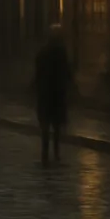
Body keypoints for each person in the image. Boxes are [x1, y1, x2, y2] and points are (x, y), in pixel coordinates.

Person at [32, 24, 72, 166]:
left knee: (46, 126)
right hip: (56, 94)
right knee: (55, 126)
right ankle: (55, 153)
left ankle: (45, 153)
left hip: (45, 94)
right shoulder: (61, 53)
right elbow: (67, 73)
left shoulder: (42, 53)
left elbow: (37, 75)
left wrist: (34, 88)